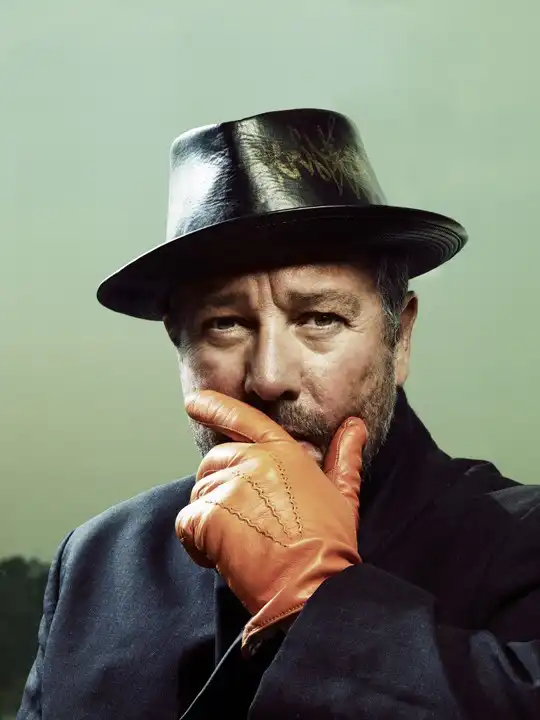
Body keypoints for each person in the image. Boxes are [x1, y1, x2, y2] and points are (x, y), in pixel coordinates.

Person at [17, 108, 540, 719]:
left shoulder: (523, 542)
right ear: (179, 346)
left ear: (399, 340)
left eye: (319, 318)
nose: (269, 377)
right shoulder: (99, 562)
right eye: (225, 324)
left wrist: (320, 603)